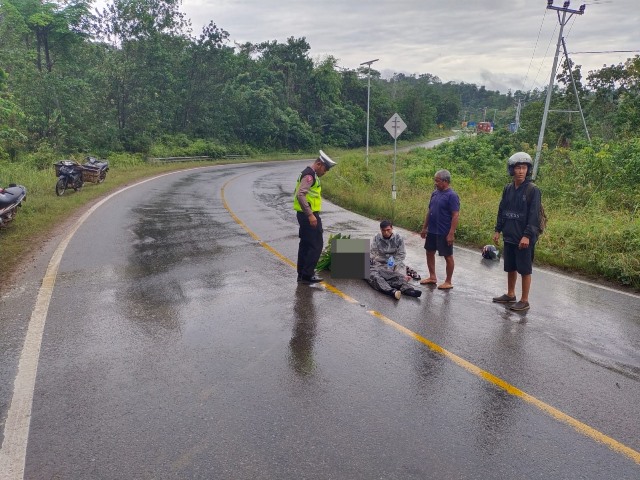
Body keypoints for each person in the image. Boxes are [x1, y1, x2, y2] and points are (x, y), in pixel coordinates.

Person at [492, 152, 541, 312]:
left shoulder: (532, 190)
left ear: (528, 170)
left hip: (524, 238)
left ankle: (524, 300)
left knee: (525, 269)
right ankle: (510, 294)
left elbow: (534, 216)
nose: (521, 171)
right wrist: (498, 229)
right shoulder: (508, 189)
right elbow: (502, 209)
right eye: (518, 168)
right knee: (510, 267)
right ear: (511, 170)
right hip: (509, 235)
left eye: (524, 168)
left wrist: (527, 235)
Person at [294, 150, 336, 284]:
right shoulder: (309, 176)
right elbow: (300, 195)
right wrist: (311, 215)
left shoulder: (309, 174)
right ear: (319, 164)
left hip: (304, 214)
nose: (325, 172)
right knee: (316, 245)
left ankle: (302, 275)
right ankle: (307, 275)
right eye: (325, 169)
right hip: (309, 215)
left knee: (306, 244)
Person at [419, 169, 460, 290]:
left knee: (448, 256)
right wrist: (424, 228)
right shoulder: (435, 193)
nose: (435, 183)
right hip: (432, 230)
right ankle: (432, 277)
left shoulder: (452, 196)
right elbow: (430, 211)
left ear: (445, 181)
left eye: (437, 181)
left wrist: (451, 233)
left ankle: (448, 281)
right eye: (435, 181)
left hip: (444, 232)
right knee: (429, 252)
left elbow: (455, 215)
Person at [367, 220, 422, 299]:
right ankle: (394, 290)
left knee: (398, 276)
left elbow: (402, 254)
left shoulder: (398, 237)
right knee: (381, 276)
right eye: (383, 230)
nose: (386, 232)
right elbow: (373, 252)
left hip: (396, 261)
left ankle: (408, 289)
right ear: (380, 230)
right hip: (381, 262)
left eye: (388, 230)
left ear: (392, 228)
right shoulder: (377, 237)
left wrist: (392, 263)